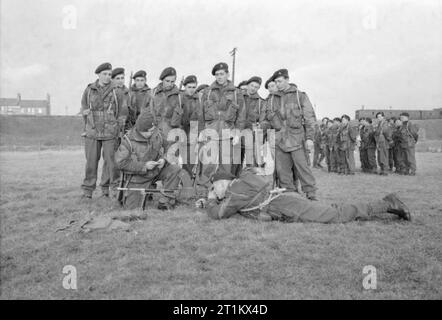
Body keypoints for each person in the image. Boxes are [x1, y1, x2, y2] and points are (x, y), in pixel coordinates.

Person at [196, 168, 411, 223]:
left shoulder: (235, 190)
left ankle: (386, 204)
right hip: (284, 199)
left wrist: (212, 200)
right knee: (328, 211)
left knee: (333, 216)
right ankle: (383, 204)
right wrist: (209, 199)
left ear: (223, 183)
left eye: (215, 187)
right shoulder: (241, 183)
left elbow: (220, 214)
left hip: (283, 205)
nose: (216, 191)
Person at [115, 110, 183, 210]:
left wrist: (164, 159)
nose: (153, 132)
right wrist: (144, 166)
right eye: (149, 131)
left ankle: (165, 201)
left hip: (156, 171)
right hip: (138, 178)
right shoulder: (128, 141)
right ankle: (146, 191)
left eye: (153, 129)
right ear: (141, 130)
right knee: (133, 210)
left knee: (175, 169)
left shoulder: (157, 133)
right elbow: (120, 163)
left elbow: (170, 147)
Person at [265, 69, 317, 200]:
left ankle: (311, 194)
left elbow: (310, 118)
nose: (278, 84)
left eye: (280, 81)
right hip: (279, 141)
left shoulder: (300, 96)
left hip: (297, 139)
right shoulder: (271, 99)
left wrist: (310, 138)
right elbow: (266, 119)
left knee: (302, 168)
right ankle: (290, 195)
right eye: (276, 81)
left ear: (287, 80)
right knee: (283, 171)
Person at [80, 62, 128, 199]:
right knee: (91, 162)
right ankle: (87, 191)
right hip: (93, 132)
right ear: (98, 75)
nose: (107, 77)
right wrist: (87, 125)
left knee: (112, 164)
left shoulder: (117, 91)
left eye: (109, 74)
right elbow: (84, 109)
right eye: (104, 74)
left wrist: (119, 131)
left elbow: (122, 113)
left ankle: (113, 190)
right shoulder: (89, 90)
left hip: (110, 133)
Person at [200, 62, 246, 179]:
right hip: (211, 132)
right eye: (217, 74)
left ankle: (222, 192)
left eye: (222, 74)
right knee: (208, 163)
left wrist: (238, 133)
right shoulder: (207, 92)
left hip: (227, 133)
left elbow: (241, 115)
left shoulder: (237, 93)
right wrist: (201, 131)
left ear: (227, 74)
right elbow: (200, 113)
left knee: (226, 165)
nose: (219, 77)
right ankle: (205, 190)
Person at [173, 75, 203, 176]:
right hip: (180, 129)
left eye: (194, 87)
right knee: (174, 157)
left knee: (190, 158)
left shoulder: (199, 99)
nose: (191, 90)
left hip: (192, 130)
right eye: (189, 87)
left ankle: (187, 179)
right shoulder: (179, 98)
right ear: (185, 87)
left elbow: (200, 118)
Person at [149, 67, 182, 147]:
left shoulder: (179, 96)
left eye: (172, 82)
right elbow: (146, 114)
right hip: (155, 134)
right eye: (167, 81)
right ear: (162, 80)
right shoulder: (153, 93)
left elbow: (184, 120)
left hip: (171, 136)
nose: (170, 84)